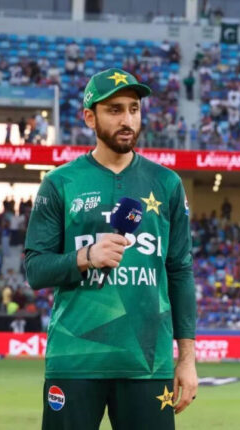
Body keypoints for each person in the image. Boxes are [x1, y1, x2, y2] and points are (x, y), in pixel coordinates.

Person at [24, 68, 198, 430]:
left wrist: (187, 359)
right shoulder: (60, 183)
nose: (127, 120)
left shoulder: (166, 183)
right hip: (75, 359)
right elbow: (35, 270)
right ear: (90, 117)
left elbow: (180, 272)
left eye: (134, 109)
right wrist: (86, 257)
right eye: (114, 110)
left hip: (147, 363)